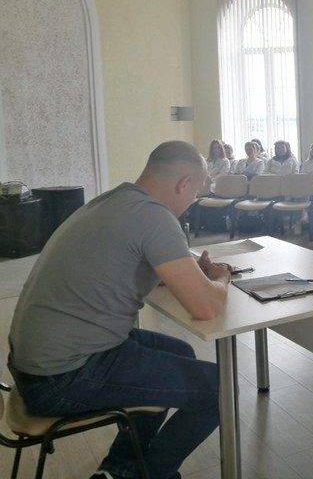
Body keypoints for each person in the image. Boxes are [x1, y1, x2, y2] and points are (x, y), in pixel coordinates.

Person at [7, 141, 230, 479]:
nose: (192, 200)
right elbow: (206, 307)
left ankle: (120, 467)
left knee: (180, 353)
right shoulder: (155, 216)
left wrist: (186, 272)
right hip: (63, 377)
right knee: (219, 389)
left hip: (34, 366)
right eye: (196, 191)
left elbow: (123, 264)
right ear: (184, 184)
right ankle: (150, 474)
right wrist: (221, 278)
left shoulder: (111, 201)